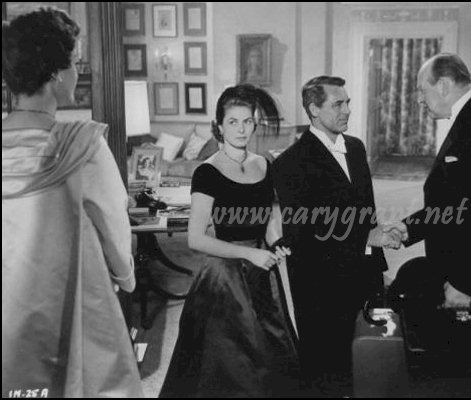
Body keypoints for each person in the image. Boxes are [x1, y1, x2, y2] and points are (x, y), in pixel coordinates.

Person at [2, 8, 143, 398]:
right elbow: (114, 223)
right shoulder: (82, 145)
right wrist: (125, 278)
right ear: (55, 74)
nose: (77, 72)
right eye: (74, 63)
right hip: (70, 296)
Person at [159, 84, 300, 398]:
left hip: (262, 273)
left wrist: (278, 244)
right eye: (233, 122)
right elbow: (196, 239)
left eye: (247, 121)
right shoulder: (207, 172)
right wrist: (248, 255)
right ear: (219, 126)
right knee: (231, 366)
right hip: (224, 278)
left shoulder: (264, 165)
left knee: (273, 355)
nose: (241, 129)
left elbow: (268, 224)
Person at [272, 75, 404, 396]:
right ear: (314, 109)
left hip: (363, 273)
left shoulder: (356, 148)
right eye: (338, 104)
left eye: (347, 103)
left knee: (368, 359)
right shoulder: (290, 163)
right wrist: (365, 239)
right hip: (320, 285)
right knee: (327, 371)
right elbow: (302, 234)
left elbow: (367, 212)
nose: (347, 110)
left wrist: (377, 251)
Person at [392, 53, 471, 386]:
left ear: (444, 84)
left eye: (422, 90)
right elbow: (456, 204)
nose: (419, 99)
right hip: (459, 272)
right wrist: (406, 228)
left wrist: (468, 285)